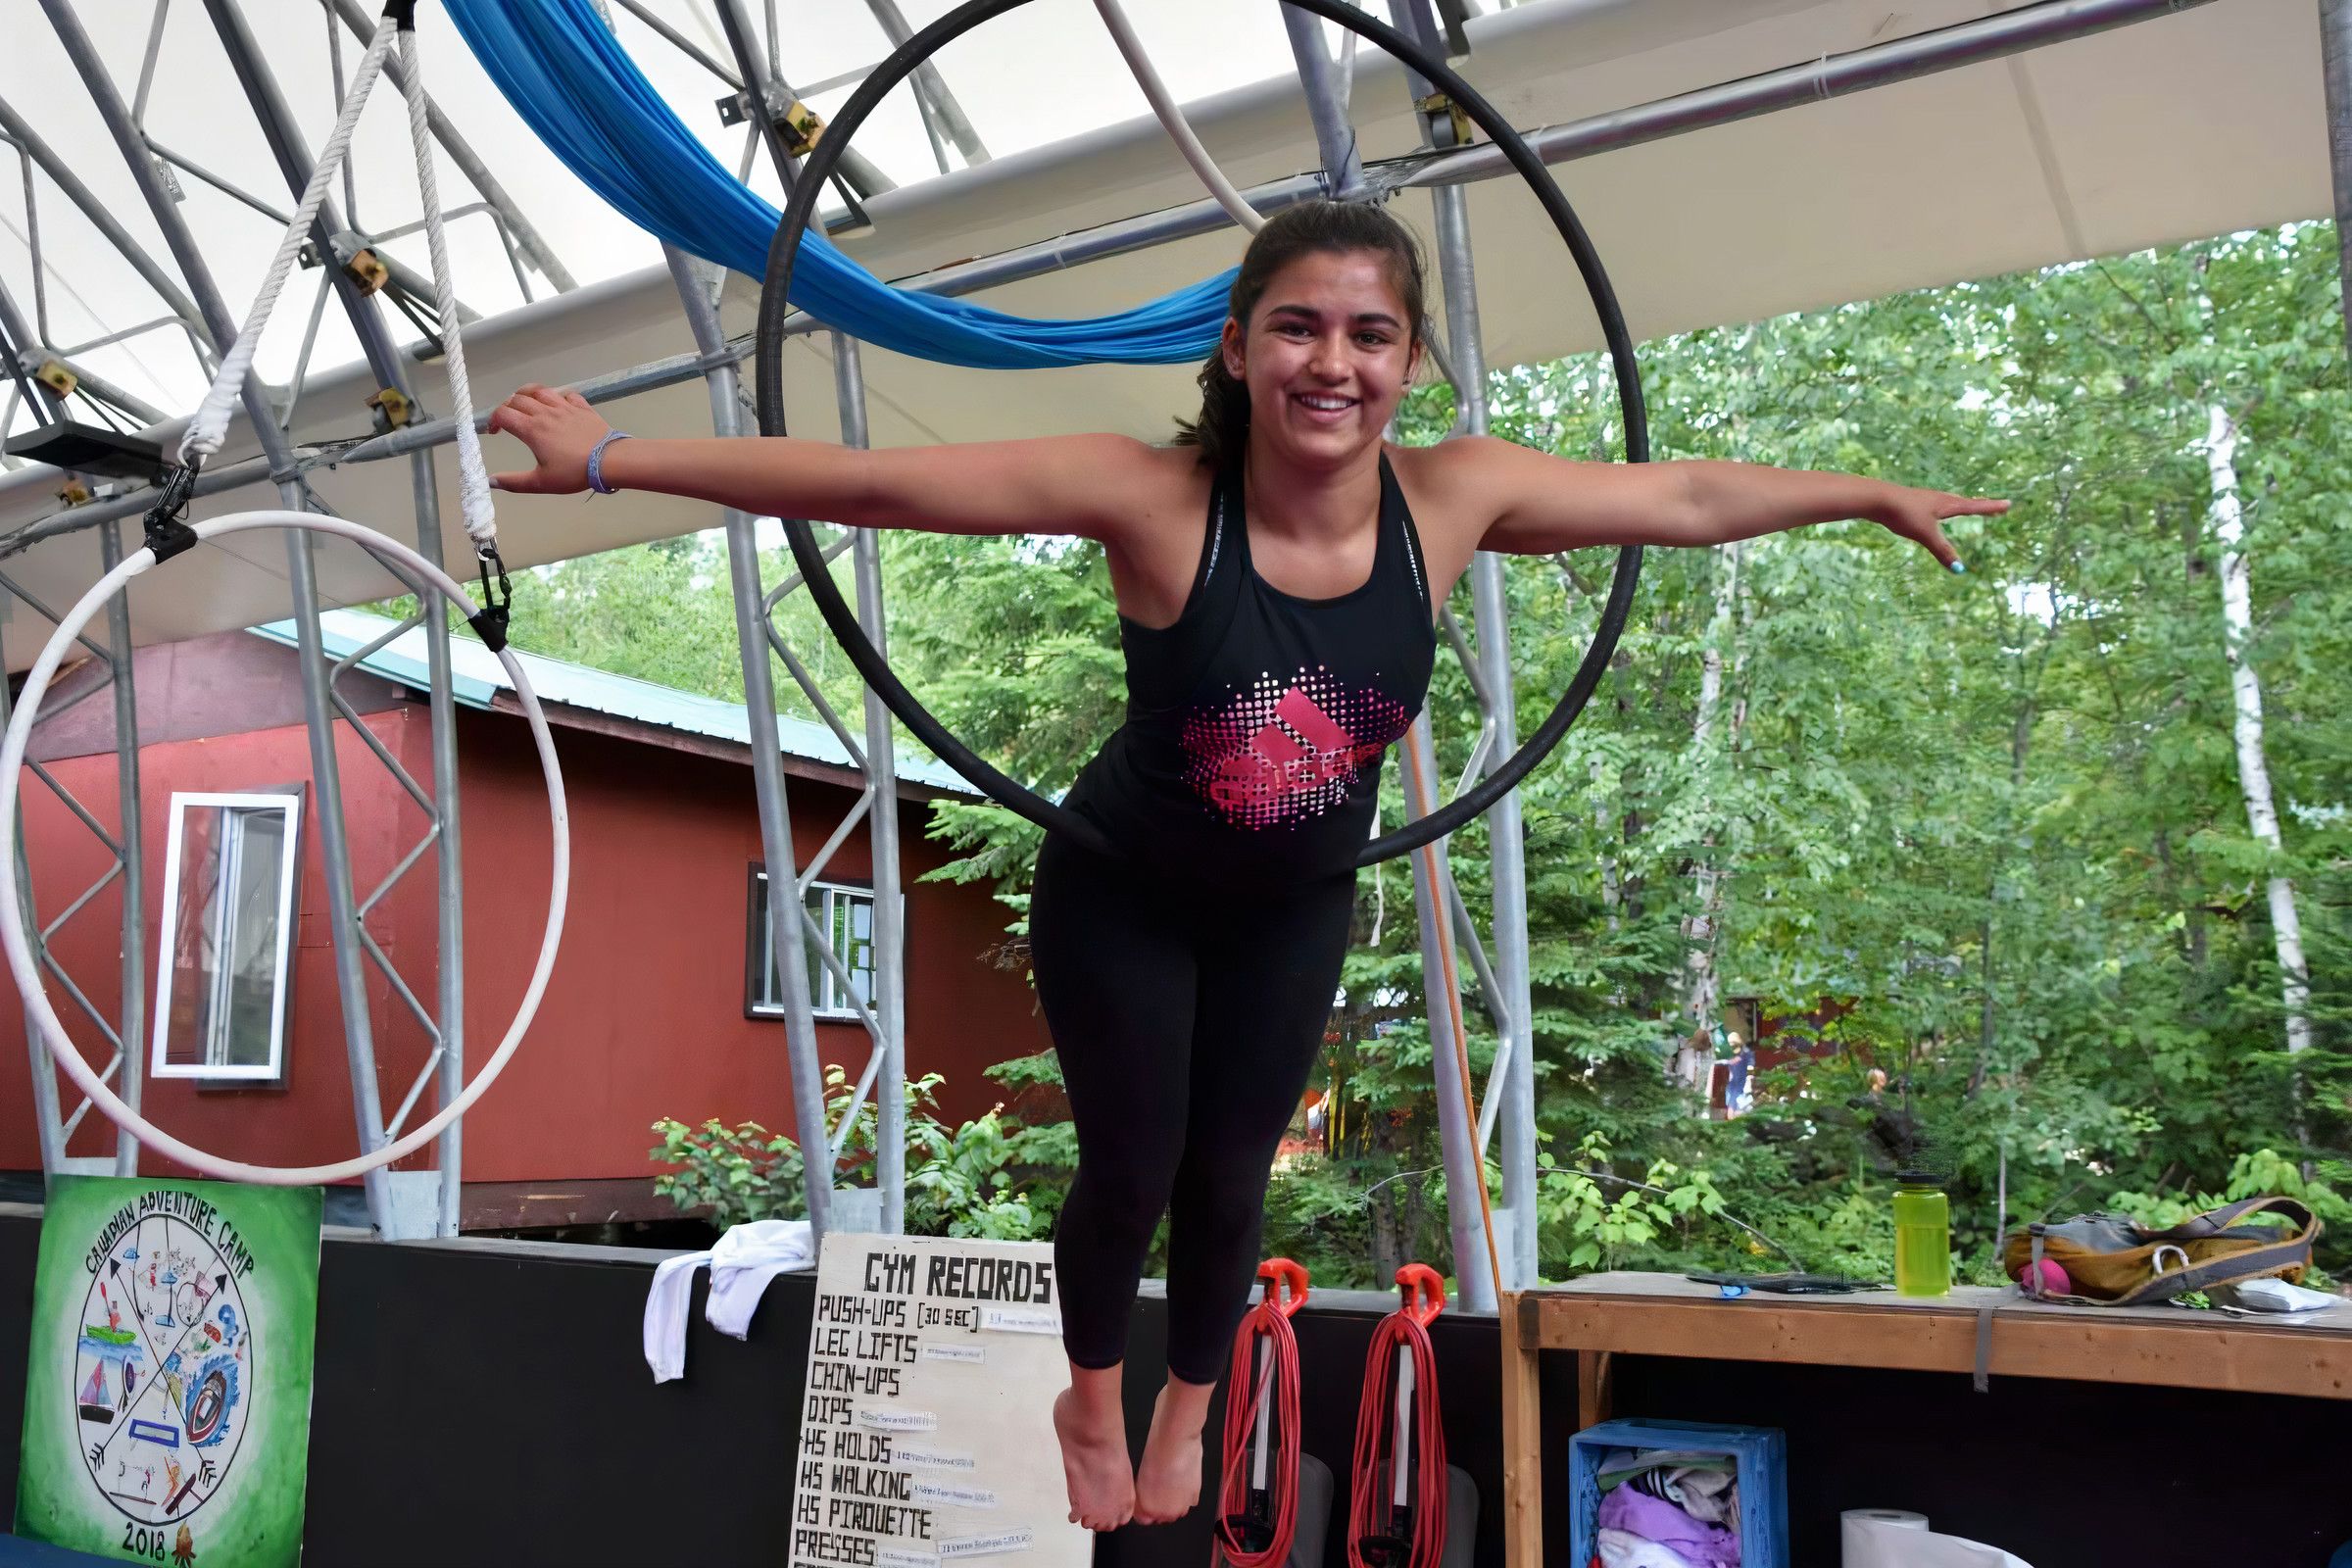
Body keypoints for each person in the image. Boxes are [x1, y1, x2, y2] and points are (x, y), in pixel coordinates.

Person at [485, 200, 2006, 1533]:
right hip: (1125, 891)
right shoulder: (1152, 496)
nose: (1330, 362)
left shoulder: (1452, 498)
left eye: (1368, 333)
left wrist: (1864, 492)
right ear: (1234, 348)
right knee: (1132, 1167)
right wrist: (608, 455)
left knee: (1231, 1181)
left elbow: (1677, 501)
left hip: (1290, 905)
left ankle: (1186, 1412)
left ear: (1411, 365)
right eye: (1295, 328)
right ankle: (1094, 1393)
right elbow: (872, 488)